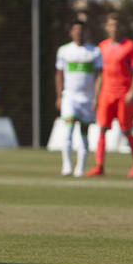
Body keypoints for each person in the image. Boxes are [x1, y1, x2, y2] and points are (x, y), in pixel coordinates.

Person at [86, 12, 133, 177]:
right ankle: (99, 166)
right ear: (106, 28)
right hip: (106, 94)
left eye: (116, 25)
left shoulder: (130, 46)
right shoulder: (102, 47)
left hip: (123, 93)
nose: (114, 28)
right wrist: (96, 96)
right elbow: (100, 74)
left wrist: (132, 92)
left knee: (127, 129)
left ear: (121, 27)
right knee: (101, 129)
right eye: (111, 25)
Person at [54, 19, 101, 177]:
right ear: (71, 32)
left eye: (81, 30)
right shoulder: (64, 51)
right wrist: (59, 95)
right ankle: (66, 166)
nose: (79, 33)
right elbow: (59, 74)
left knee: (84, 132)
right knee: (68, 128)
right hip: (70, 97)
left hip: (87, 99)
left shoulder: (94, 51)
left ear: (86, 32)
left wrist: (96, 97)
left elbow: (99, 75)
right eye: (76, 30)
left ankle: (80, 167)